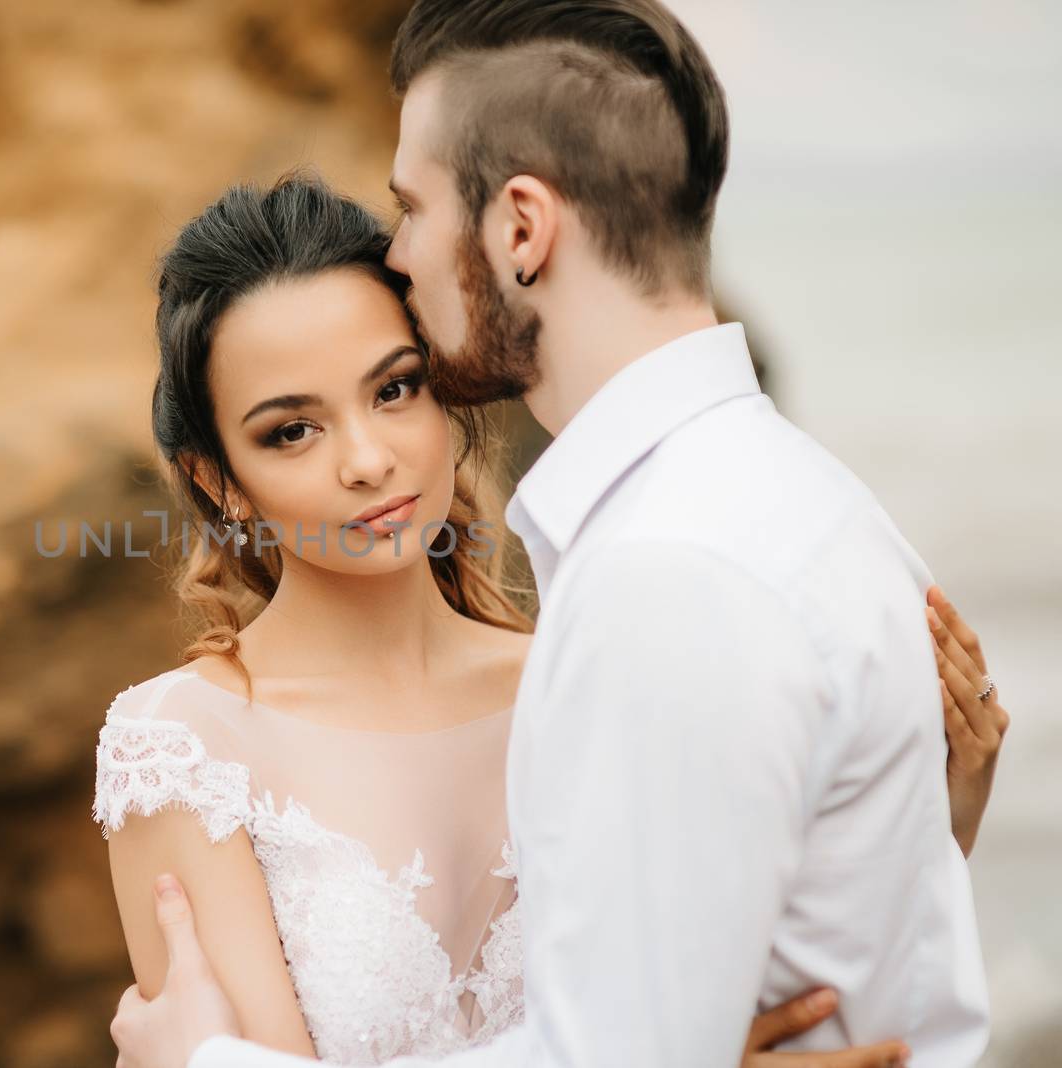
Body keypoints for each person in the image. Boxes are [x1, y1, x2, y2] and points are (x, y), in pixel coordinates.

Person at [106, 2, 1000, 1066]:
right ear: (223, 483)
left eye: (394, 389)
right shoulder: (180, 752)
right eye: (290, 428)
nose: (364, 459)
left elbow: (727, 998)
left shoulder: (606, 639)